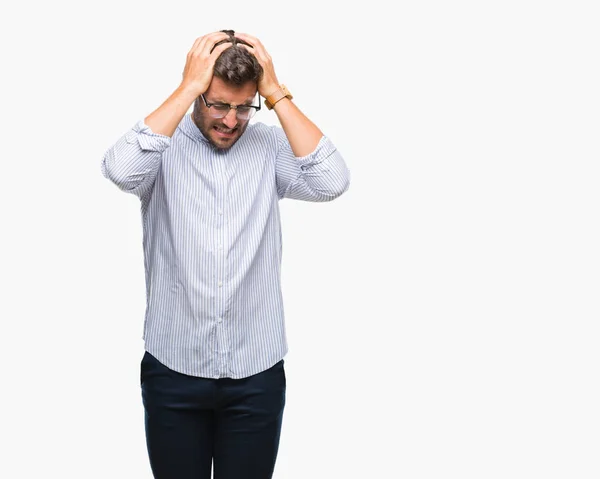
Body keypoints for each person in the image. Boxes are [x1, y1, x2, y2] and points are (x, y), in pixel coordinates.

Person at [101, 29, 350, 479]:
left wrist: (275, 93)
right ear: (198, 94)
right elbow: (119, 168)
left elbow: (332, 180)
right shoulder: (162, 149)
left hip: (255, 375)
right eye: (217, 104)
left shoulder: (272, 148)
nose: (231, 121)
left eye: (242, 107)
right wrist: (187, 87)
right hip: (174, 370)